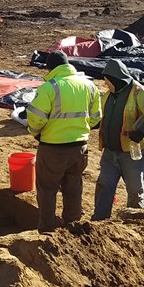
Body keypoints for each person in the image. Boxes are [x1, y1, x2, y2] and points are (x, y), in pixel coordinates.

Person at [25, 51, 101, 233]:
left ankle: (48, 226)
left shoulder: (49, 88)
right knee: (74, 186)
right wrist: (81, 129)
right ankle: (72, 223)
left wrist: (36, 134)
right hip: (80, 147)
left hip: (53, 148)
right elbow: (96, 118)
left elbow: (35, 118)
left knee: (47, 189)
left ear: (51, 68)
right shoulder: (90, 86)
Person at [92, 59, 144, 218]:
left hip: (132, 152)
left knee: (134, 189)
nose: (105, 83)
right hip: (110, 151)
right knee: (104, 186)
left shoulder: (139, 92)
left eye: (108, 80)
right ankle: (99, 219)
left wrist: (140, 133)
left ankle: (133, 220)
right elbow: (101, 118)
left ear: (117, 79)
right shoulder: (108, 96)